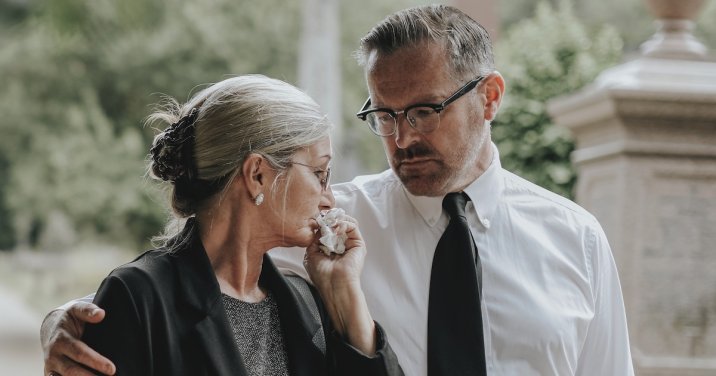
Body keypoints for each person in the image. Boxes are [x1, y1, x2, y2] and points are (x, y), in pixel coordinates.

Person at [41, 5, 634, 376]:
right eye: (384, 115)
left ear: (490, 98)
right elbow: (197, 267)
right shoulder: (327, 227)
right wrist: (66, 325)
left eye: (425, 111)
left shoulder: (576, 239)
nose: (401, 138)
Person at [41, 74, 404, 376]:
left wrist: (345, 293)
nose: (329, 199)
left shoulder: (305, 299)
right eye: (320, 174)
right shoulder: (138, 296)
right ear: (258, 174)